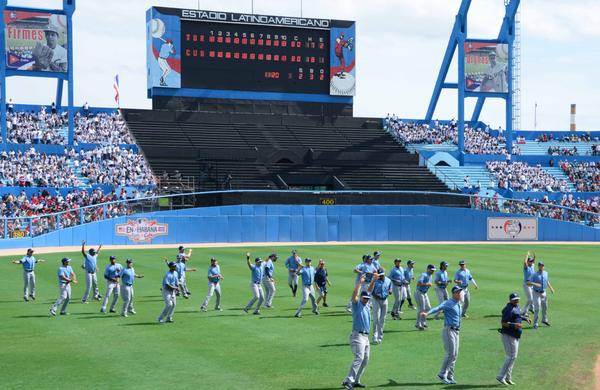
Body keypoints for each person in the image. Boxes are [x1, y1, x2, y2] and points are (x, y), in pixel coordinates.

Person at [420, 286, 463, 385]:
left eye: (460, 292)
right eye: (458, 292)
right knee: (450, 354)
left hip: (456, 331)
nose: (460, 294)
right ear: (453, 293)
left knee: (455, 355)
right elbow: (438, 307)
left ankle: (450, 376)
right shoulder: (449, 303)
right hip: (449, 331)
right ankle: (442, 374)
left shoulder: (458, 303)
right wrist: (427, 313)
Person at [342, 274, 376, 390]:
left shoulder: (366, 306)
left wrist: (373, 281)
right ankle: (348, 381)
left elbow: (370, 291)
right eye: (365, 298)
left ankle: (356, 380)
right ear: (361, 298)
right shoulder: (357, 305)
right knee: (359, 358)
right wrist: (360, 283)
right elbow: (354, 296)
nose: (366, 300)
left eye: (368, 299)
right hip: (357, 336)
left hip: (366, 337)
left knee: (365, 359)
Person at [496, 292, 532, 386]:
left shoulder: (516, 307)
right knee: (511, 356)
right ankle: (500, 377)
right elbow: (503, 323)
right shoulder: (508, 309)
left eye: (518, 299)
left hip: (515, 335)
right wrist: (514, 325)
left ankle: (508, 378)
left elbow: (517, 315)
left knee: (513, 357)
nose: (517, 300)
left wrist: (525, 318)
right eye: (515, 299)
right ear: (511, 300)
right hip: (508, 335)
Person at [527, 261, 555, 329]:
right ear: (538, 266)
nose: (541, 266)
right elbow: (528, 282)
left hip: (543, 293)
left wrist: (551, 288)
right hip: (536, 293)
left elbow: (546, 280)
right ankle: (535, 323)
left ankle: (544, 320)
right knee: (537, 308)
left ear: (543, 266)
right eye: (540, 265)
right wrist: (535, 284)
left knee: (545, 307)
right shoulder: (534, 274)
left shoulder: (546, 273)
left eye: (542, 265)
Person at [371, 268, 392, 344]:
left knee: (383, 319)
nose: (380, 277)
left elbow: (390, 288)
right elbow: (371, 291)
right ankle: (375, 336)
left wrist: (390, 291)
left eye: (381, 275)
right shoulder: (375, 281)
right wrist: (376, 295)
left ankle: (380, 336)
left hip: (385, 300)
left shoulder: (388, 280)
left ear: (384, 274)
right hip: (376, 300)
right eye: (379, 275)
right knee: (376, 318)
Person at [415, 264, 436, 330]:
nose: (433, 271)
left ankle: (423, 322)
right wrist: (427, 284)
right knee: (422, 309)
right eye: (432, 270)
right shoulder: (423, 275)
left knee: (428, 308)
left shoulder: (431, 276)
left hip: (424, 293)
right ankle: (418, 324)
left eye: (433, 270)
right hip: (419, 292)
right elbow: (419, 283)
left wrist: (428, 285)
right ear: (428, 269)